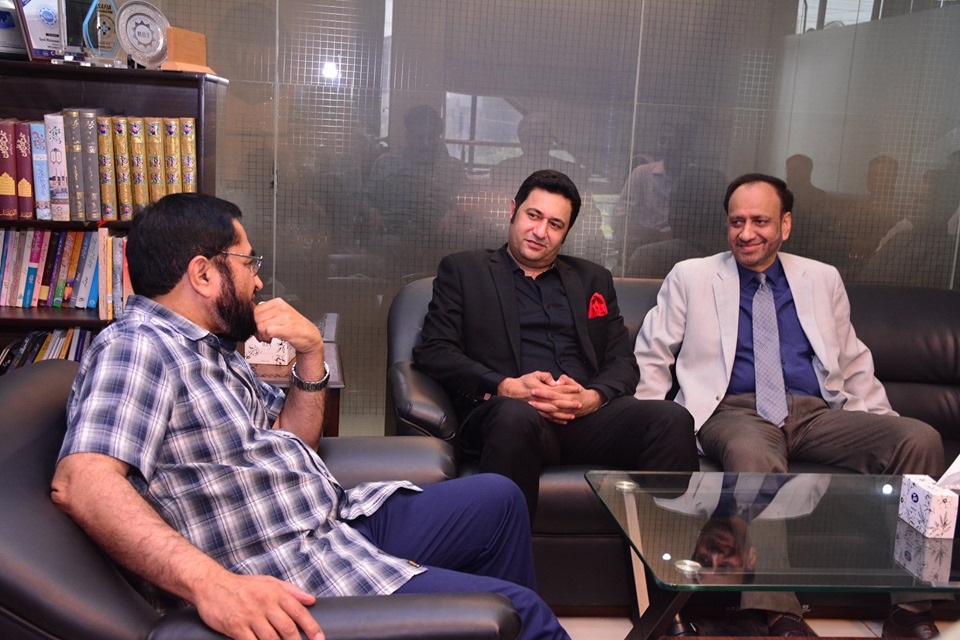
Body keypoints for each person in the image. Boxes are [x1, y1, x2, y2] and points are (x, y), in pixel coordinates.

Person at [51, 193, 570, 640]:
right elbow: (82, 483)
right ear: (203, 274)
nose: (257, 281)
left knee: (500, 498)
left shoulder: (210, 349)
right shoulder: (138, 347)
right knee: (523, 613)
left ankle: (476, 628)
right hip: (291, 563)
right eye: (248, 262)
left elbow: (294, 439)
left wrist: (311, 355)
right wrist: (212, 585)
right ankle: (489, 623)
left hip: (332, 520)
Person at [633, 173, 947, 638]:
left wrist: (881, 422)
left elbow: (853, 360)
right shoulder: (692, 276)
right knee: (754, 457)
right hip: (733, 411)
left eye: (760, 221)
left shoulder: (821, 278)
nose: (746, 233)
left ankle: (911, 608)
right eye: (736, 221)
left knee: (920, 439)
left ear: (785, 225)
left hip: (815, 412)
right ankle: (778, 614)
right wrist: (648, 425)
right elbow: (653, 353)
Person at [413, 169, 699, 523]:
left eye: (555, 224)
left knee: (672, 419)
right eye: (533, 216)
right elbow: (434, 350)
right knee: (514, 416)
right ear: (513, 210)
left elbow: (622, 361)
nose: (540, 231)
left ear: (566, 232)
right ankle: (503, 553)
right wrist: (505, 386)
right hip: (508, 415)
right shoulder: (464, 271)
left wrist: (592, 397)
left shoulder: (593, 279)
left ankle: (660, 551)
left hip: (585, 418)